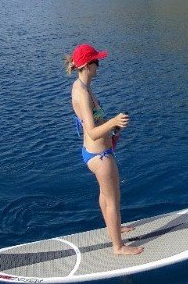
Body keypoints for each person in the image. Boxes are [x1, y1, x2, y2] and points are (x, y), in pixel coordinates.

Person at [66, 43, 143, 256]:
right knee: (113, 199)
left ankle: (114, 229)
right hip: (99, 156)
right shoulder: (81, 92)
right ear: (87, 65)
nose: (99, 66)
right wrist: (114, 121)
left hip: (98, 152)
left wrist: (114, 130)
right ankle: (118, 246)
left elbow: (96, 121)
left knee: (105, 194)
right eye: (96, 62)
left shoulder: (84, 86)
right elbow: (91, 131)